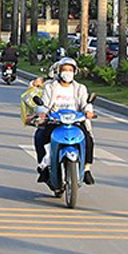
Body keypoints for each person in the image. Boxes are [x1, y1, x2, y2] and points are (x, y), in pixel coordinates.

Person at [34, 57, 96, 185]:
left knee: (88, 139)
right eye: (64, 69)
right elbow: (44, 104)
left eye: (70, 70)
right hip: (55, 121)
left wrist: (88, 112)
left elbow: (85, 104)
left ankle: (86, 169)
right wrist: (42, 113)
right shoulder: (50, 87)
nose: (67, 72)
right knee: (40, 137)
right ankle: (44, 168)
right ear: (59, 71)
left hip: (76, 121)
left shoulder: (80, 88)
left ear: (75, 72)